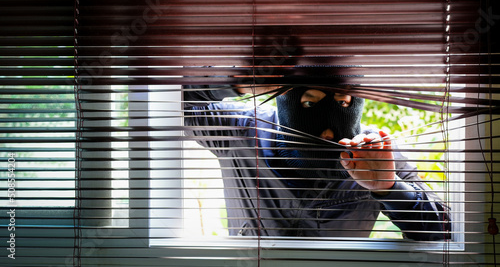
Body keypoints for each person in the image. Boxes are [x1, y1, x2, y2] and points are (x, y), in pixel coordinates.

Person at [183, 83, 451, 240]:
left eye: (343, 104)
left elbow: (443, 231)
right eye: (310, 105)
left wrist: (388, 188)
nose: (328, 133)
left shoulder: (373, 155)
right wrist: (241, 83)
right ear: (285, 100)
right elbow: (169, 98)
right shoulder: (242, 129)